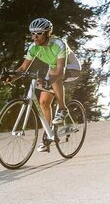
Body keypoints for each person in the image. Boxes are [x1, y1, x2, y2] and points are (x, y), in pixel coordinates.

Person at [5, 17, 81, 152]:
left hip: (71, 68)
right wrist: (10, 78)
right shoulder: (33, 48)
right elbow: (23, 69)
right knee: (44, 102)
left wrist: (48, 81)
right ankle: (47, 137)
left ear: (48, 33)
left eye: (39, 33)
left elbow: (60, 71)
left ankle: (63, 109)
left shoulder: (59, 44)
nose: (35, 36)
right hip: (54, 70)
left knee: (53, 75)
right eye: (32, 33)